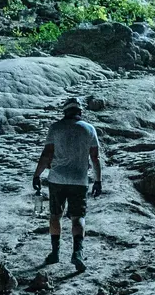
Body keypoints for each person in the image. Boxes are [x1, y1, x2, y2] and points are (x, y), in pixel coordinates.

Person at [33, 95, 103, 270]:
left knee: (55, 216)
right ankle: (77, 254)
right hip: (79, 180)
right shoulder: (89, 129)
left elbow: (47, 154)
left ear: (65, 111)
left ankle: (55, 253)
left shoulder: (55, 128)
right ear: (80, 111)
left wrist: (37, 175)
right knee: (78, 218)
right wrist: (98, 180)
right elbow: (95, 157)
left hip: (57, 179)